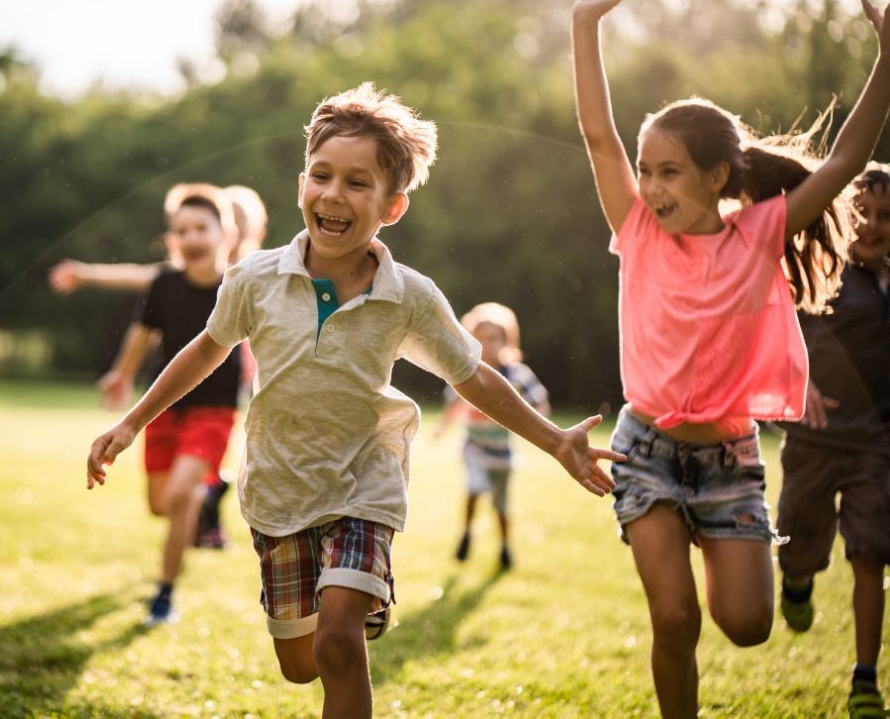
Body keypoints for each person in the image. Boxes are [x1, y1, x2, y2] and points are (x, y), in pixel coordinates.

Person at [86, 82, 624, 718]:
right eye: (322, 176)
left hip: (364, 484)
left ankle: (355, 597)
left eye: (357, 183)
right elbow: (207, 349)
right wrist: (130, 423)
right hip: (280, 488)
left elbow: (474, 376)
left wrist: (554, 438)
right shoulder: (253, 280)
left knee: (340, 644)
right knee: (300, 664)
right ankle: (346, 605)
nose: (334, 194)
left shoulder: (410, 296)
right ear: (300, 186)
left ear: (392, 206)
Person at [571, 0, 890, 718]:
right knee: (674, 618)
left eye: (669, 172)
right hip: (646, 448)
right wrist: (586, 27)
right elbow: (595, 135)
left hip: (730, 460)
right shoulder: (638, 231)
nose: (649, 186)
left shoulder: (758, 234)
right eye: (645, 170)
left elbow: (843, 164)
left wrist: (886, 56)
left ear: (717, 177)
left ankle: (722, 549)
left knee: (746, 626)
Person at [50, 184, 267, 548]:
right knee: (160, 504)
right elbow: (144, 284)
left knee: (182, 490)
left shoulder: (251, 273)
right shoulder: (179, 274)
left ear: (237, 230)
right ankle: (207, 498)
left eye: (241, 219)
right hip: (172, 388)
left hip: (220, 391)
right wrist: (87, 275)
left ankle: (203, 498)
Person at [97, 184, 242, 625]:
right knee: (160, 505)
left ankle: (164, 594)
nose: (193, 237)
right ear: (173, 239)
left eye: (202, 228)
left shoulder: (238, 285)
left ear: (226, 235)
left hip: (215, 409)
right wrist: (121, 374)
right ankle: (211, 491)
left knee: (179, 499)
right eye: (183, 230)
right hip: (164, 406)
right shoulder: (163, 284)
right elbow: (143, 334)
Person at [775, 163, 890, 718]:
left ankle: (864, 679)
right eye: (861, 213)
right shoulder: (821, 272)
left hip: (875, 447)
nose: (871, 225)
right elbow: (775, 329)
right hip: (813, 441)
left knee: (872, 557)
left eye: (885, 217)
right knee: (801, 548)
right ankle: (796, 581)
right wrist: (802, 381)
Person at [436, 302, 550, 570]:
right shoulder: (467, 373)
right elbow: (453, 405)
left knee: (501, 505)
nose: (486, 345)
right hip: (474, 448)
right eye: (479, 339)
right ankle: (466, 532)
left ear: (506, 341)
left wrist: (540, 425)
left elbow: (540, 402)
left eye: (493, 339)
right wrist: (443, 427)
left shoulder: (517, 375)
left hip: (503, 453)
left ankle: (505, 546)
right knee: (474, 490)